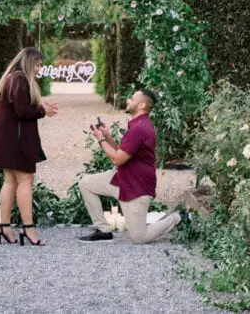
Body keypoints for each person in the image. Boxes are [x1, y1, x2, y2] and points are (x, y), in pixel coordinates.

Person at [77, 87, 181, 244]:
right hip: (120, 179)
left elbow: (117, 159)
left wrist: (100, 139)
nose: (128, 100)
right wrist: (107, 137)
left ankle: (178, 217)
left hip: (136, 187)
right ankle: (103, 231)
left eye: (132, 98)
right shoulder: (137, 124)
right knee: (86, 184)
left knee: (139, 237)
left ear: (142, 105)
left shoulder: (140, 128)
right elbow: (122, 152)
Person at [0, 47, 59, 245]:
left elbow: (22, 107)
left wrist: (42, 107)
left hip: (6, 138)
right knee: (25, 181)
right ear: (29, 63)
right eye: (37, 64)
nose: (39, 68)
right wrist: (43, 112)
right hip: (15, 140)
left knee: (10, 181)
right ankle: (28, 229)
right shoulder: (19, 80)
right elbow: (23, 112)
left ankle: (5, 227)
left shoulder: (11, 78)